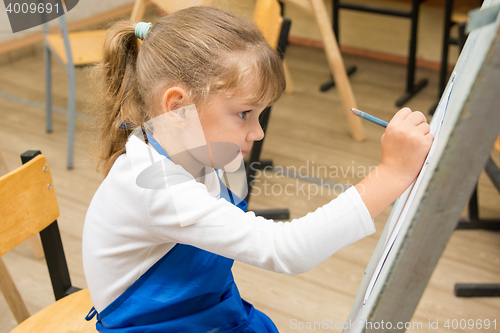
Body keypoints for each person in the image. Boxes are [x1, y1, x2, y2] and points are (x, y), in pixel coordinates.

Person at [82, 6, 433, 333]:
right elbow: (286, 250)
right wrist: (391, 173)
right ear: (176, 107)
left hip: (206, 311)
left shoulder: (189, 146)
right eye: (244, 113)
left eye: (260, 114)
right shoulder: (155, 187)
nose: (258, 132)